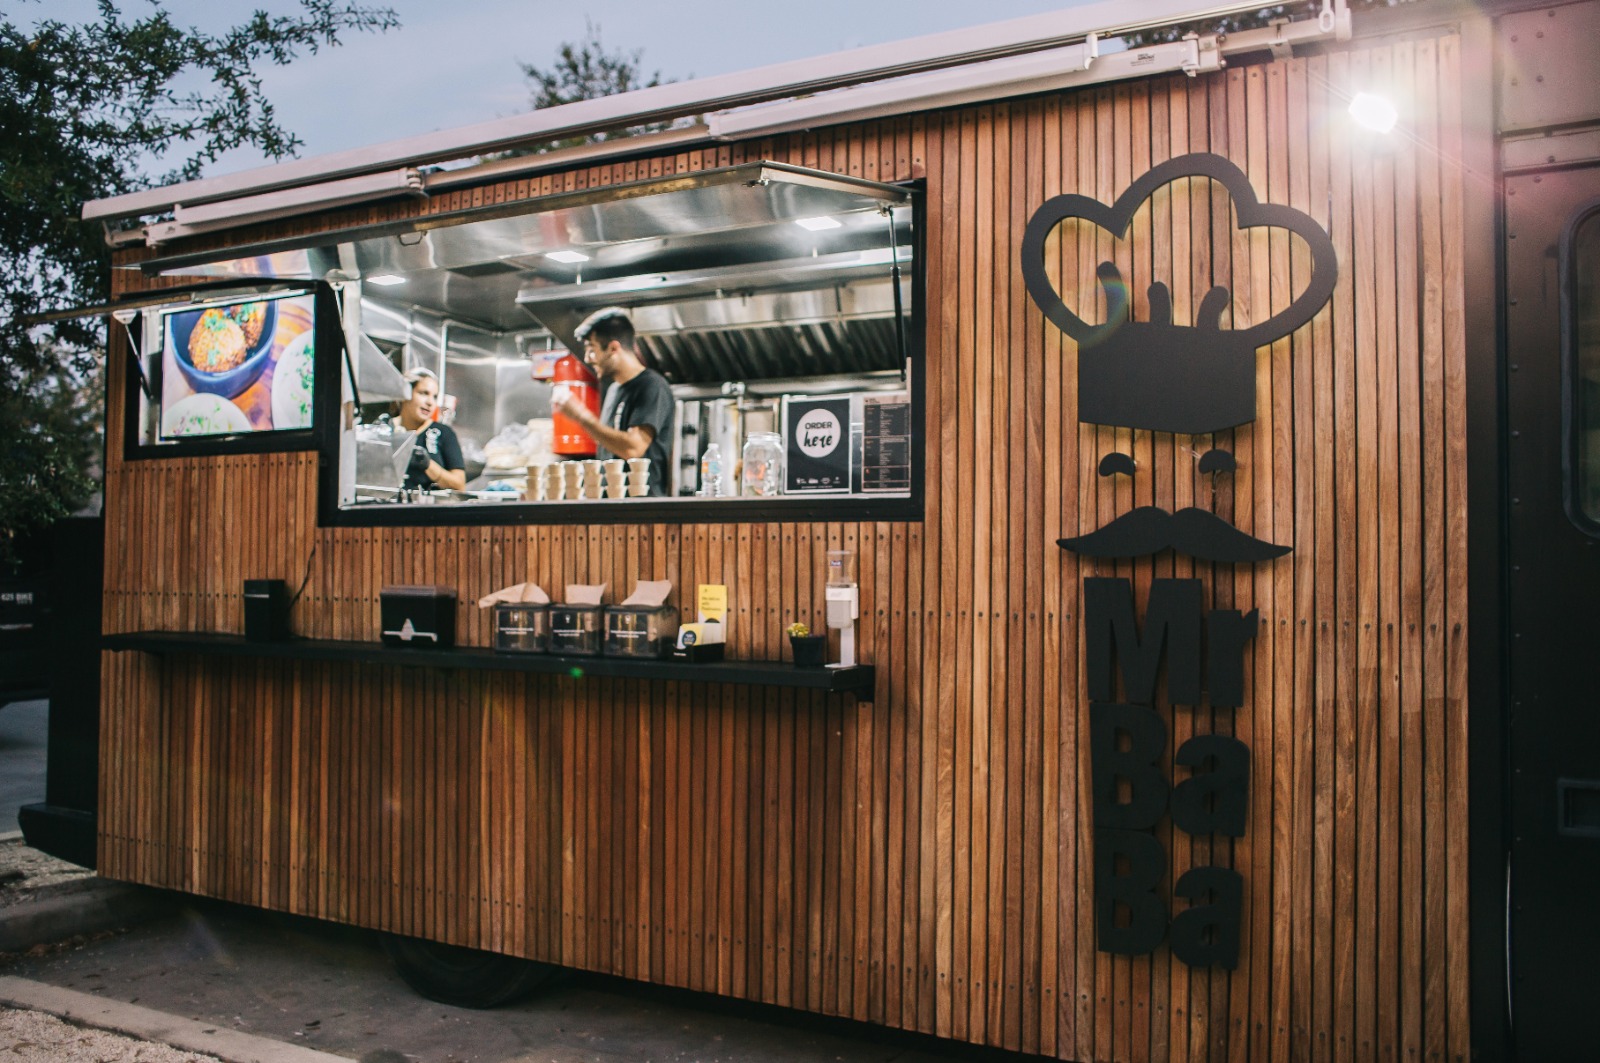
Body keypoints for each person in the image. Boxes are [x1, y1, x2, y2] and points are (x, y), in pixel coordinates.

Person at [552, 307, 675, 497]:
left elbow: (633, 448)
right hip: (613, 504)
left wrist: (581, 416)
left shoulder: (652, 386)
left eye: (591, 349)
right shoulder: (613, 390)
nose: (588, 359)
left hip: (642, 507)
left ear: (613, 349)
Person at [397, 367, 466, 492]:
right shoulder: (387, 430)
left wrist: (428, 465)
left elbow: (460, 485)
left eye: (434, 397)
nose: (430, 402)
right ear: (405, 393)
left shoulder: (444, 433)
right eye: (424, 393)